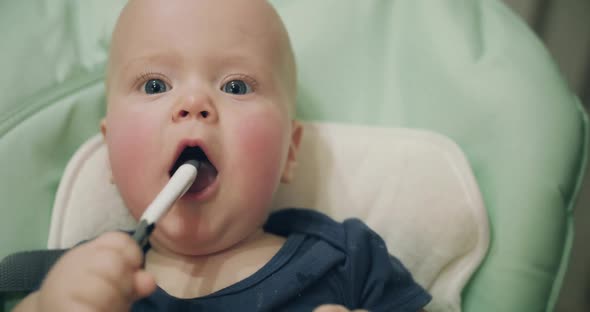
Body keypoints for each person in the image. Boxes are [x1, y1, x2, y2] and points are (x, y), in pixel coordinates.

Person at [14, 0, 431, 311]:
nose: (193, 102)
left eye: (236, 87)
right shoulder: (88, 279)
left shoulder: (344, 260)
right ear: (109, 149)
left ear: (290, 151)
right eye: (155, 86)